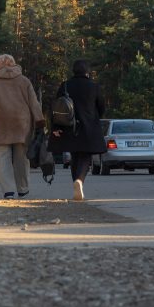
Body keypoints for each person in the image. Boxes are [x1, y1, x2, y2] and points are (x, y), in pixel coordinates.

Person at [0, 54, 43, 199]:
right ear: (14, 64)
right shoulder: (24, 80)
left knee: (2, 157)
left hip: (1, 124)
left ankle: (8, 191)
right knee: (22, 158)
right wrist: (39, 121)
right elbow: (34, 103)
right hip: (22, 123)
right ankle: (23, 188)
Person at [48, 59, 107, 201]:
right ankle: (79, 181)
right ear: (88, 71)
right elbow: (101, 107)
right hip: (88, 127)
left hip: (69, 126)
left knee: (74, 156)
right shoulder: (94, 86)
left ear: (73, 71)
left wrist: (55, 127)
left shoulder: (65, 85)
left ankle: (76, 183)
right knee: (86, 156)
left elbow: (57, 109)